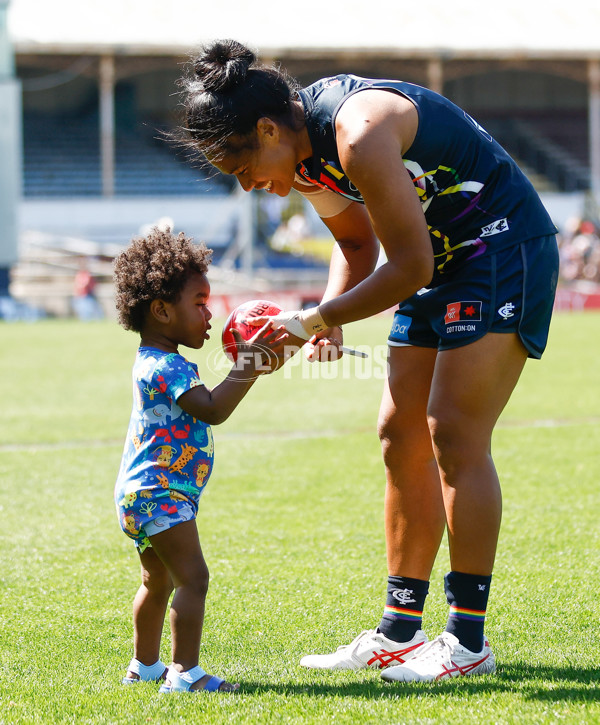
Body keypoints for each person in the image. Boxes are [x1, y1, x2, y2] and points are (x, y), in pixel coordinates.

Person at [178, 40, 559, 683]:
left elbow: (409, 266)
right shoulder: (303, 160)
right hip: (442, 264)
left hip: (501, 251)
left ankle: (466, 641)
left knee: (453, 433)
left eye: (241, 168)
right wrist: (326, 312)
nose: (250, 187)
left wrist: (314, 321)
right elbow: (356, 241)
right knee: (397, 432)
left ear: (268, 129)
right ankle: (399, 632)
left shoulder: (358, 132)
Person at [113, 227, 286, 693]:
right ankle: (185, 674)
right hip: (161, 492)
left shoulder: (153, 358)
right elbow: (213, 409)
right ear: (162, 310)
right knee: (194, 578)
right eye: (200, 302)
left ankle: (144, 666)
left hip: (141, 491)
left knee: (158, 581)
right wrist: (252, 364)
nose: (211, 314)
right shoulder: (168, 366)